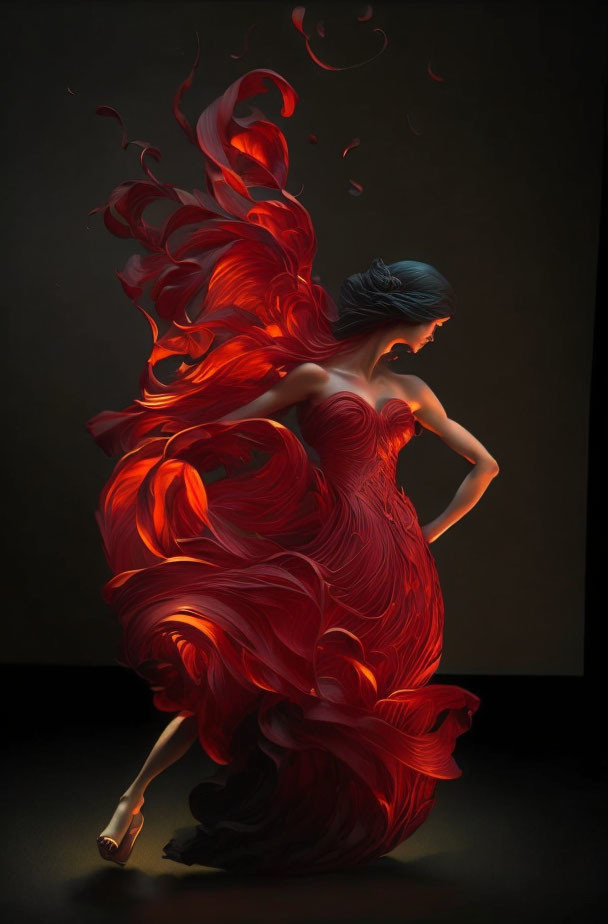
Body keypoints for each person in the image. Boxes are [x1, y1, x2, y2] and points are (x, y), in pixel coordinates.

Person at [90, 66, 497, 874]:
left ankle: (314, 821)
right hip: (328, 549)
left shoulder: (413, 389)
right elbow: (227, 425)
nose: (437, 334)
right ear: (404, 318)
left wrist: (427, 533)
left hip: (396, 564)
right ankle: (131, 797)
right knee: (246, 673)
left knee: (358, 700)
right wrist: (171, 453)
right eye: (435, 323)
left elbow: (486, 466)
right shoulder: (318, 381)